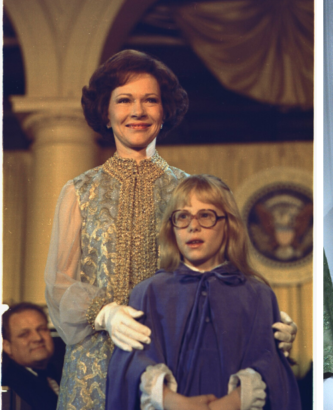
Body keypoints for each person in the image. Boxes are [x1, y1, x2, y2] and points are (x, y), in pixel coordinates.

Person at [44, 49, 297, 410]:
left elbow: (220, 271)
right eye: (124, 100)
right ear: (106, 110)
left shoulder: (185, 189)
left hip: (172, 358)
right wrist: (105, 312)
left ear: (164, 112)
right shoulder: (79, 191)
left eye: (150, 100)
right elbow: (58, 282)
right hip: (94, 361)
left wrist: (268, 322)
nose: (138, 111)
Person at [106, 175, 302, 410]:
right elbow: (132, 366)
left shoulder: (258, 294)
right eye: (183, 217)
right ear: (172, 228)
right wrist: (176, 402)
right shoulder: (148, 293)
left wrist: (230, 403)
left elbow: (269, 366)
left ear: (228, 224)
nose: (193, 225)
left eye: (205, 215)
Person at [2, 302, 64, 410]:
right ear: (7, 346)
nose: (37, 338)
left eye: (42, 329)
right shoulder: (8, 390)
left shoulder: (61, 371)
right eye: (24, 334)